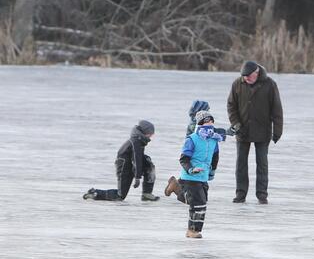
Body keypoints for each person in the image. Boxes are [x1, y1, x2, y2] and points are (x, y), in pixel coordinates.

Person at [227, 60, 283, 204]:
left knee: (262, 164)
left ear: (256, 73)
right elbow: (231, 106)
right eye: (243, 76)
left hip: (262, 131)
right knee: (241, 165)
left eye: (248, 76)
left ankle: (262, 195)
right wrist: (236, 124)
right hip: (242, 131)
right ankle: (240, 194)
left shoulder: (270, 84)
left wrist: (277, 131)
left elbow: (277, 110)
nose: (246, 79)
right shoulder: (237, 84)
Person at [171, 110, 223, 238]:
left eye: (211, 120)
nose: (210, 123)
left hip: (203, 176)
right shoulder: (192, 139)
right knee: (198, 203)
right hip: (190, 176)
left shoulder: (214, 140)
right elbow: (184, 159)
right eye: (206, 121)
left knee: (200, 202)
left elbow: (215, 157)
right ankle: (193, 231)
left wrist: (212, 172)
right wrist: (191, 169)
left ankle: (176, 187)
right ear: (200, 123)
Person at [83, 120, 159, 202]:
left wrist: (143, 167)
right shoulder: (135, 142)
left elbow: (139, 159)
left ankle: (146, 194)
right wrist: (137, 177)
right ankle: (95, 193)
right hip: (124, 165)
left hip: (131, 163)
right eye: (150, 133)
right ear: (144, 131)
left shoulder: (140, 140)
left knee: (149, 166)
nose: (151, 136)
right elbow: (136, 159)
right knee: (120, 196)